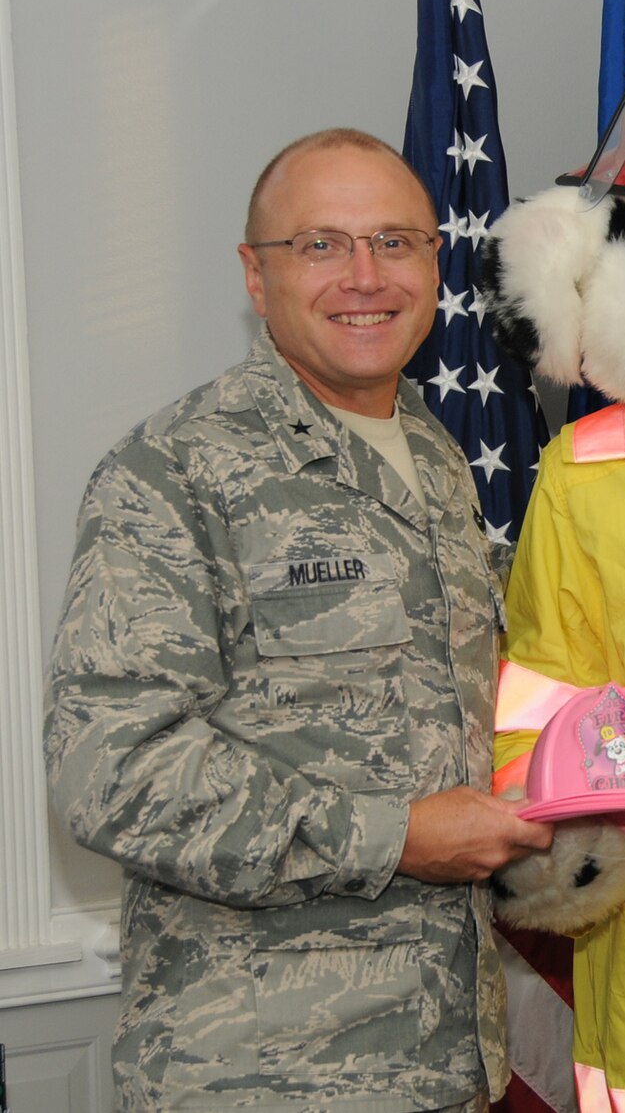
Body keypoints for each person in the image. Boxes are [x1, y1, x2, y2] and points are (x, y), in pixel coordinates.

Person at [44, 128, 553, 1110]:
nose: (365, 276)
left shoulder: (435, 457)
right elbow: (110, 770)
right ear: (255, 273)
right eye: (320, 244)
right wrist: (392, 835)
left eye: (395, 242)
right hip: (266, 1074)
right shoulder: (172, 474)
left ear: (434, 262)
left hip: (449, 1058)